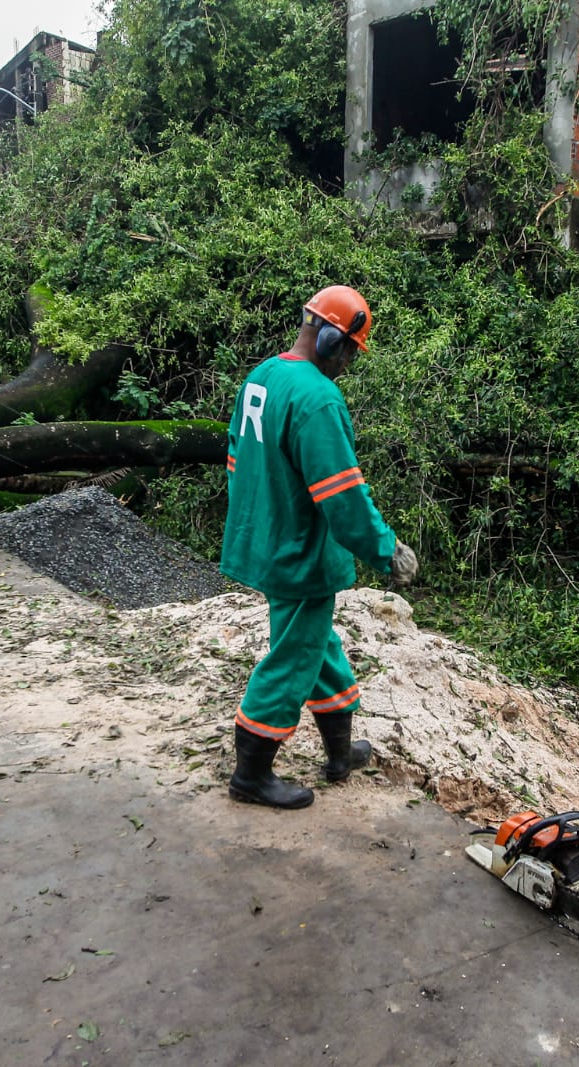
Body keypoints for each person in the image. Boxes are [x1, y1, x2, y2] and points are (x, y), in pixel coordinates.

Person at [219, 284, 419, 811]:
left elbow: (238, 460)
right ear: (333, 339)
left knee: (317, 644)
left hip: (267, 542)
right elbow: (343, 497)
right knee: (294, 655)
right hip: (300, 553)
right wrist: (386, 549)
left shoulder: (263, 376)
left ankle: (337, 753)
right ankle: (251, 773)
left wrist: (253, 524)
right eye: (351, 351)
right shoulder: (318, 398)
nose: (349, 364)